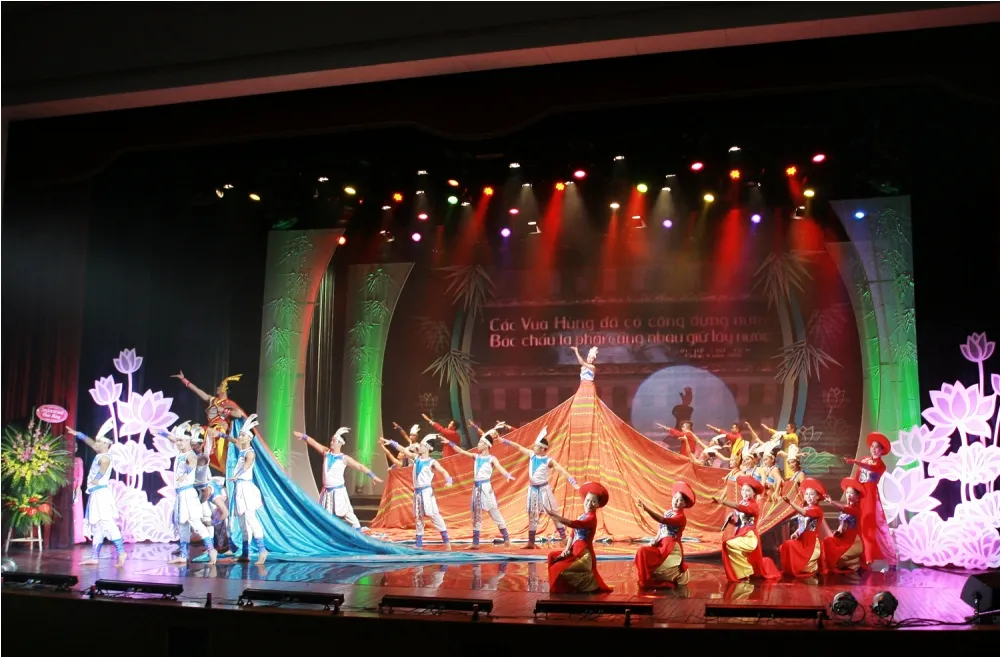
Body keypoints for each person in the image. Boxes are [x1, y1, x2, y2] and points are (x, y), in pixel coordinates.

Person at [500, 427, 579, 549]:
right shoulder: (531, 455)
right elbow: (518, 447)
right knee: (532, 514)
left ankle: (564, 539)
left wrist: (573, 482)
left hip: (544, 490)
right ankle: (531, 542)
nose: (533, 447)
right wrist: (505, 441)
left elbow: (561, 470)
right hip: (532, 490)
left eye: (536, 446)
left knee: (553, 514)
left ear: (542, 448)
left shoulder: (548, 460)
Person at [439, 423, 514, 549]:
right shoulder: (476, 457)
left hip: (485, 488)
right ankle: (475, 543)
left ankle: (506, 539)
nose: (478, 444)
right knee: (476, 515)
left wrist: (507, 475)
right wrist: (449, 443)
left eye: (480, 442)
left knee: (494, 512)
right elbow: (461, 451)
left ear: (486, 445)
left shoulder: (491, 458)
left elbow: (499, 467)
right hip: (476, 489)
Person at [295, 427, 383, 529]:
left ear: (340, 443)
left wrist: (373, 476)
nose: (331, 442)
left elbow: (359, 466)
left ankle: (358, 530)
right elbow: (314, 444)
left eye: (334, 440)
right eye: (331, 440)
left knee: (347, 513)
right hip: (326, 491)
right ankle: (328, 533)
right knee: (326, 515)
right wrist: (303, 436)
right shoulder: (326, 453)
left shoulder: (344, 458)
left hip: (338, 491)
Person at [66, 426, 127, 567]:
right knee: (97, 525)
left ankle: (121, 552)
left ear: (106, 444)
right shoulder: (100, 452)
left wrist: (97, 478)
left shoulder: (105, 457)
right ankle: (94, 557)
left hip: (102, 495)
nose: (95, 444)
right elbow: (90, 442)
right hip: (96, 494)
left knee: (107, 523)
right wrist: (78, 433)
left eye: (98, 442)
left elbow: (104, 467)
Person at [171, 371, 256, 471]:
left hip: (219, 431)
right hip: (209, 430)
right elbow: (198, 391)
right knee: (196, 440)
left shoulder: (228, 403)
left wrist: (223, 410)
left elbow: (239, 414)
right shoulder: (213, 400)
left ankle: (226, 473)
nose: (217, 388)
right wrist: (184, 379)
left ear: (224, 389)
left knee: (220, 456)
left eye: (220, 386)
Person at [386, 434, 454, 550]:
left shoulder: (432, 462)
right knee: (418, 517)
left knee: (434, 515)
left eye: (421, 446)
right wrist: (392, 442)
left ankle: (447, 542)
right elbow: (404, 451)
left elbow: (443, 471)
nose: (419, 447)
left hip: (426, 492)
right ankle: (418, 544)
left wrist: (449, 480)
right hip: (417, 493)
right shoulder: (416, 458)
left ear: (427, 448)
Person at [545, 482, 613, 594]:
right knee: (552, 556)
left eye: (593, 501)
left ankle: (589, 586)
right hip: (574, 551)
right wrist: (567, 549)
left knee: (559, 568)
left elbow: (574, 524)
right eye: (587, 500)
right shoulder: (582, 516)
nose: (589, 503)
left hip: (584, 555)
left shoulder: (591, 518)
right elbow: (572, 534)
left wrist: (556, 516)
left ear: (597, 504)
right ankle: (566, 589)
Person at [166, 422, 218, 565]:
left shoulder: (190, 455)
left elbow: (193, 462)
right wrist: (162, 433)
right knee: (183, 525)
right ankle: (183, 555)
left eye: (181, 440)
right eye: (177, 440)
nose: (178, 443)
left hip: (188, 494)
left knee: (196, 522)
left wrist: (186, 473)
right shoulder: (181, 452)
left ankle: (211, 550)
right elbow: (173, 438)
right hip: (180, 495)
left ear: (188, 441)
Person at [844, 432, 897, 568]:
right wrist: (852, 495)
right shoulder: (865, 459)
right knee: (859, 525)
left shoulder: (881, 465)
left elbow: (871, 468)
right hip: (860, 495)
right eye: (872, 446)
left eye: (877, 447)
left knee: (869, 526)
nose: (874, 449)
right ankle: (861, 557)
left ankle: (874, 557)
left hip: (870, 497)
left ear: (882, 451)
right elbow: (857, 478)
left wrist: (855, 461)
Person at [713, 475, 780, 582]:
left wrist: (723, 501)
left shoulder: (753, 506)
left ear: (754, 494)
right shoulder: (742, 502)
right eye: (743, 490)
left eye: (748, 491)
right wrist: (731, 520)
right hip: (740, 533)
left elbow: (740, 508)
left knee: (729, 544)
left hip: (749, 536)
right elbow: (739, 522)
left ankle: (746, 571)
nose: (744, 493)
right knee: (729, 546)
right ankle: (743, 572)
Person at [634, 481, 696, 589]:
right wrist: (655, 540)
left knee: (660, 565)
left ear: (684, 504)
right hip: (661, 544)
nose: (676, 501)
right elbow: (661, 528)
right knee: (642, 551)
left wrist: (647, 509)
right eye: (675, 498)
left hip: (671, 547)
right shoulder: (668, 512)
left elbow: (663, 520)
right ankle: (645, 580)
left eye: (680, 500)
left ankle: (662, 579)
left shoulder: (681, 517)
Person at [225, 414, 268, 565]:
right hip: (239, 488)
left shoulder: (250, 452)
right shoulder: (242, 450)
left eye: (242, 435)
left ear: (249, 438)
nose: (240, 437)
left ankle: (262, 550)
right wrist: (221, 435)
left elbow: (248, 464)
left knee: (251, 519)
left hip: (246, 488)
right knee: (242, 522)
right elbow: (234, 441)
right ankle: (245, 553)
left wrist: (237, 475)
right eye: (240, 434)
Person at [778, 478, 826, 577]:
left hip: (811, 542)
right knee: (787, 545)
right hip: (802, 539)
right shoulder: (805, 507)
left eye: (811, 494)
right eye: (806, 494)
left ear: (817, 497)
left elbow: (804, 513)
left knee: (790, 545)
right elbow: (802, 525)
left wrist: (791, 503)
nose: (808, 496)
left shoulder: (817, 510)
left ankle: (803, 567)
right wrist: (796, 533)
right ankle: (791, 569)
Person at [822, 478, 865, 573]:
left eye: (852, 493)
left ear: (857, 497)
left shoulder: (857, 509)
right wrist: (838, 531)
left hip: (853, 540)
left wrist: (831, 502)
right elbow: (842, 523)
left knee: (838, 553)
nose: (848, 495)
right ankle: (833, 566)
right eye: (847, 492)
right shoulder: (845, 508)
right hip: (842, 537)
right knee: (827, 540)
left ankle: (849, 563)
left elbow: (846, 510)